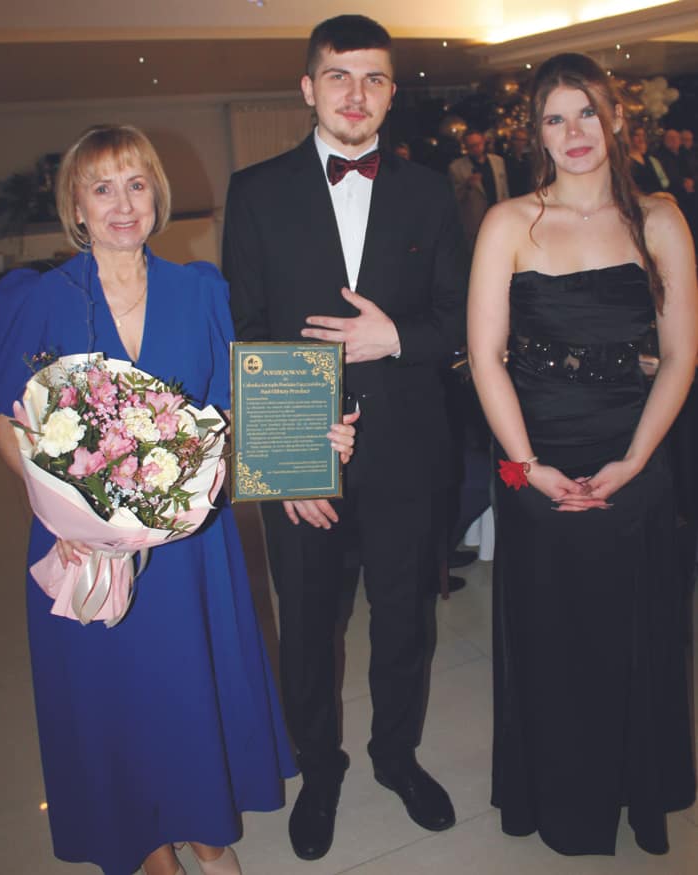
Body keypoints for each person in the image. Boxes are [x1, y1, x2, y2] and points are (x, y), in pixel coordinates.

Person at [0, 124, 357, 875]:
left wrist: (312, 444)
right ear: (76, 206)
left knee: (185, 693)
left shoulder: (201, 291)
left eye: (136, 184)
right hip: (82, 548)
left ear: (156, 195)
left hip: (187, 548)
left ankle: (203, 831)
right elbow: (8, 419)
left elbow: (234, 414)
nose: (123, 203)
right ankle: (147, 844)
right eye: (102, 188)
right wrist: (61, 511)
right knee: (112, 700)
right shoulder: (37, 298)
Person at [223, 14, 465, 862]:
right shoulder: (255, 191)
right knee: (306, 626)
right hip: (298, 455)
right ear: (308, 87)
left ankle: (395, 757)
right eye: (338, 75)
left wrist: (394, 337)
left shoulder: (430, 193)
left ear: (391, 94)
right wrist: (285, 462)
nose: (355, 94)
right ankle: (318, 768)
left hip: (406, 451)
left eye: (373, 79)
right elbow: (247, 329)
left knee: (403, 620)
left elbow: (460, 321)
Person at [467, 53, 697, 856]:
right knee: (553, 638)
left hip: (634, 454)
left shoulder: (659, 220)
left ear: (616, 118)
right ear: (535, 133)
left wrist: (632, 462)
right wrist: (527, 468)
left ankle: (637, 786)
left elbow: (679, 356)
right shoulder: (508, 223)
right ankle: (560, 798)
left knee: (633, 633)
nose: (573, 132)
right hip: (532, 461)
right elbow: (485, 357)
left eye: (587, 112)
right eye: (554, 118)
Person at [448, 128, 509, 260]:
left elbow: (504, 190)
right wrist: (467, 185)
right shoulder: (456, 167)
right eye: (471, 146)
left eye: (478, 144)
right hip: (475, 222)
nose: (476, 148)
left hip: (499, 216)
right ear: (465, 147)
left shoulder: (498, 161)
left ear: (483, 142)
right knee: (480, 258)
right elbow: (455, 199)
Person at [628, 125, 672, 196]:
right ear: (630, 138)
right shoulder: (627, 160)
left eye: (643, 135)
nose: (641, 139)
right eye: (637, 135)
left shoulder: (649, 159)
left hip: (658, 196)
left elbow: (662, 182)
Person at [505, 127, 533, 197]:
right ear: (512, 141)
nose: (520, 143)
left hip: (528, 195)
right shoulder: (505, 159)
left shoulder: (530, 159)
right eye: (517, 139)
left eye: (523, 140)